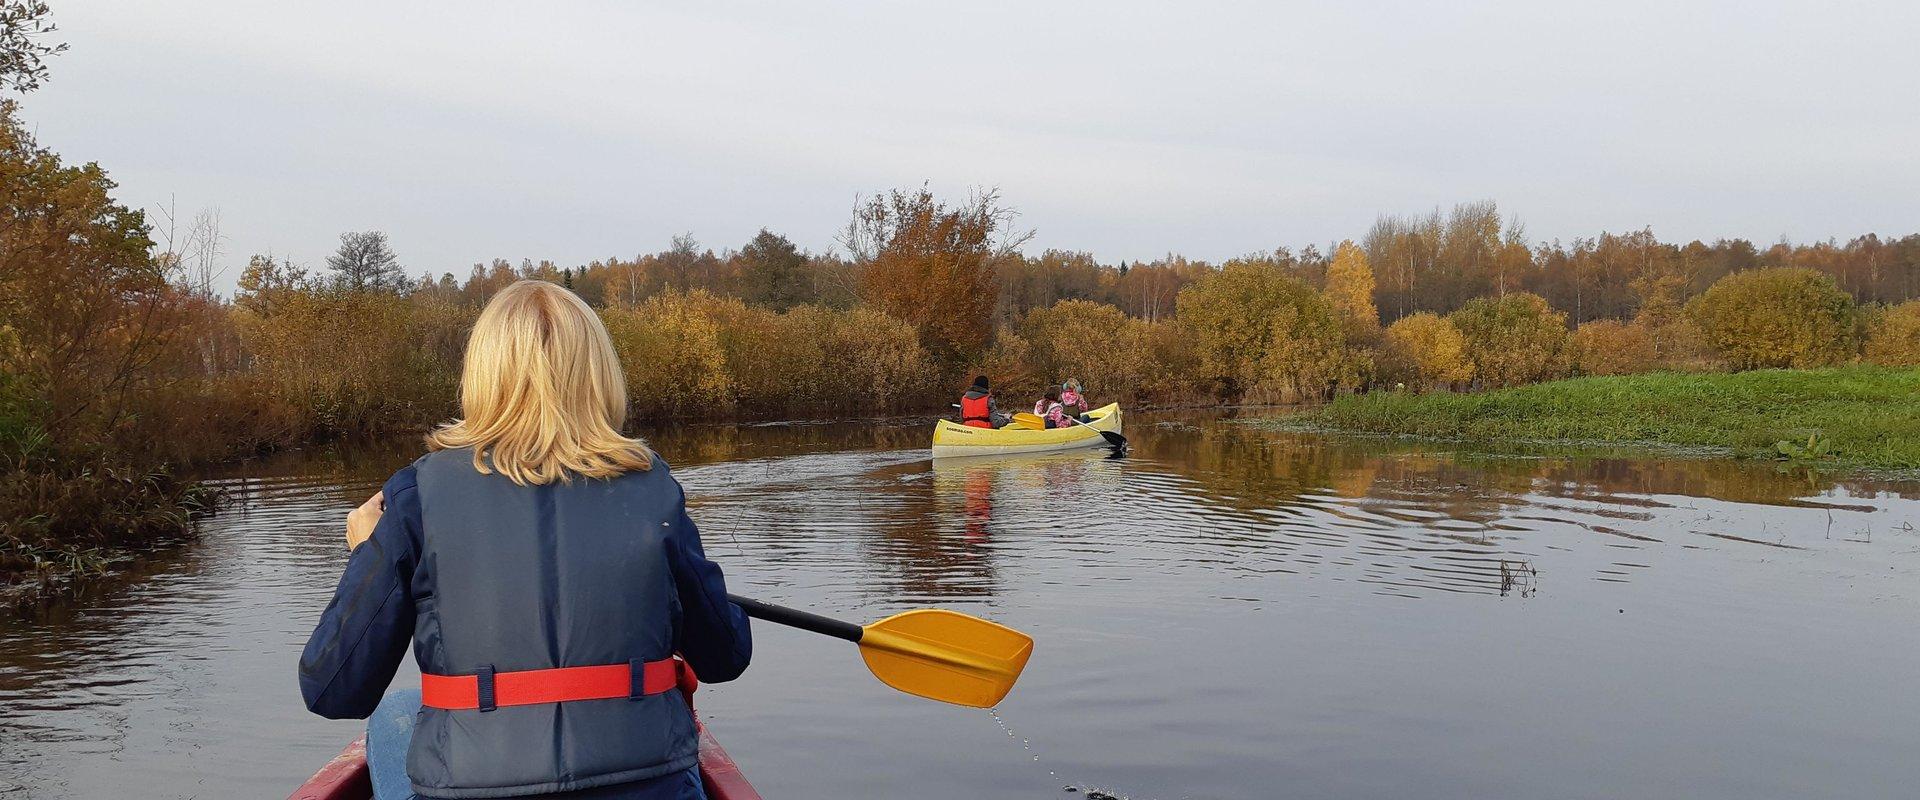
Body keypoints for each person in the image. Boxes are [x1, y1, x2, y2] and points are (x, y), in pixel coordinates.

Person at [298, 280, 752, 800]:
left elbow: (334, 689)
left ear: (482, 376)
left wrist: (365, 555)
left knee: (397, 714)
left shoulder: (416, 495)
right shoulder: (654, 490)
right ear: (599, 376)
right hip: (645, 784)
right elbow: (725, 656)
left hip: (474, 783)